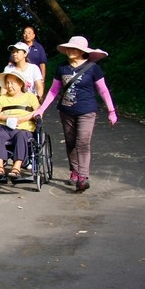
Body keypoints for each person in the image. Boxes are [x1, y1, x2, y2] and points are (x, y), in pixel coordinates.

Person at [33, 36, 117, 193]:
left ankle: (83, 178)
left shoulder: (93, 68)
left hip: (87, 111)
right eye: (69, 48)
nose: (70, 51)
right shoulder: (62, 68)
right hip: (66, 111)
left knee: (83, 142)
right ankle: (74, 171)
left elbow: (103, 90)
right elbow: (53, 91)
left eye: (74, 49)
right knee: (71, 142)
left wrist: (111, 111)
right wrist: (41, 109)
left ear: (82, 51)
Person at [0, 70, 39, 180]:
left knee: (21, 136)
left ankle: (16, 168)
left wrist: (20, 119)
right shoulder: (3, 98)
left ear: (21, 84)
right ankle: (0, 168)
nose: (9, 86)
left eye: (12, 83)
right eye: (7, 83)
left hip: (24, 128)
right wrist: (6, 118)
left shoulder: (30, 97)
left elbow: (38, 112)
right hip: (4, 126)